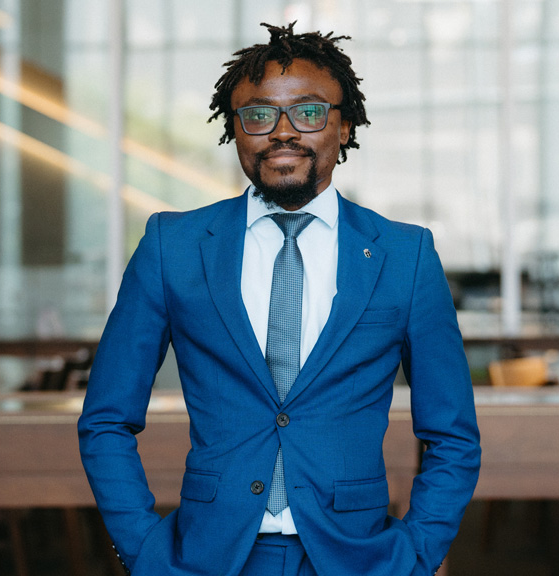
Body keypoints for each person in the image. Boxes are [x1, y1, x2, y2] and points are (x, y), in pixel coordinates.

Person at [78, 22, 481, 576]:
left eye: (309, 112)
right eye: (259, 114)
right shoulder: (173, 246)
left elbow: (452, 435)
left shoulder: (406, 256)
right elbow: (106, 420)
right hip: (207, 558)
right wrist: (145, 551)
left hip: (359, 557)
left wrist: (416, 554)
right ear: (235, 129)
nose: (283, 132)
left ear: (343, 126)